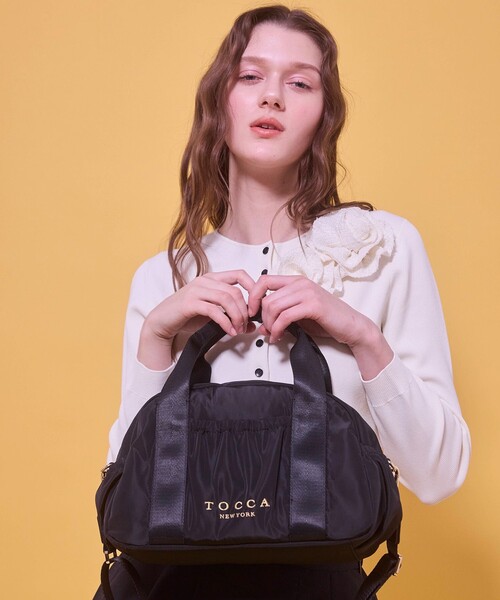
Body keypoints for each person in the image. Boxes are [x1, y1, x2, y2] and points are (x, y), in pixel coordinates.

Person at [96, 5, 471, 599]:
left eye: (299, 83)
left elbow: (439, 473)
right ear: (219, 102)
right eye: (250, 76)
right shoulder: (162, 278)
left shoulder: (382, 249)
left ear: (324, 116)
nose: (272, 96)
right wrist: (156, 339)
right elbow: (128, 498)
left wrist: (361, 335)